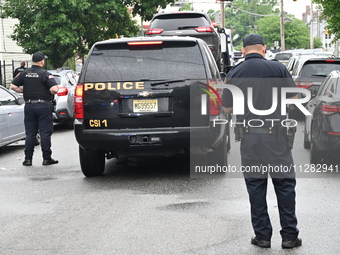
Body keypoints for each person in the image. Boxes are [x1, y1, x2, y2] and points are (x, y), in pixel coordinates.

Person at [222, 34, 301, 249]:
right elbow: (293, 98)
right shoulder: (278, 69)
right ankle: (289, 236)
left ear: (244, 49)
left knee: (256, 187)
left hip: (250, 137)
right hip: (276, 137)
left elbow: (228, 109)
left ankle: (263, 236)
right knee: (284, 185)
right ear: (264, 49)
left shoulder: (234, 72)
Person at [10, 52, 59, 166]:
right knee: (45, 132)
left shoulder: (24, 73)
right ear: (42, 61)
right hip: (43, 106)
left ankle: (28, 159)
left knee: (30, 133)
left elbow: (13, 86)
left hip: (29, 106)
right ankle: (46, 158)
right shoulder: (45, 74)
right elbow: (54, 89)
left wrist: (25, 91)